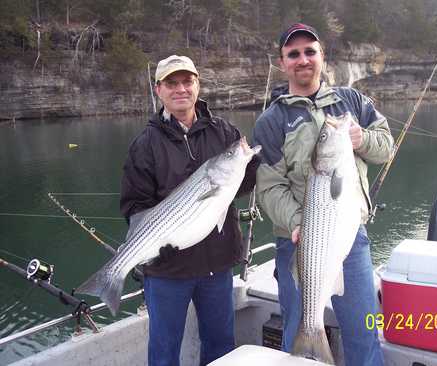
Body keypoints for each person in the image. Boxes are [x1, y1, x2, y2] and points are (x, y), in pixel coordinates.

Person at [252, 23, 394, 366]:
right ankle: (306, 347)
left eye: (310, 51)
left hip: (351, 238)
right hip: (298, 242)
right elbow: (269, 186)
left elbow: (386, 146)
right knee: (296, 329)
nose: (303, 60)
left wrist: (363, 140)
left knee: (363, 332)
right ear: (282, 62)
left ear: (322, 56)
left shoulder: (352, 101)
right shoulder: (271, 121)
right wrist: (299, 222)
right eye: (294, 54)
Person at [120, 55, 259, 366]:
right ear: (159, 90)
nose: (180, 89)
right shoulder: (144, 145)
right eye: (172, 83)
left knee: (220, 346)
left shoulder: (224, 132)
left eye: (187, 81)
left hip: (217, 266)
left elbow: (243, 186)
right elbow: (134, 206)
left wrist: (251, 165)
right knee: (164, 351)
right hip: (167, 270)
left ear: (198, 85)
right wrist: (155, 238)